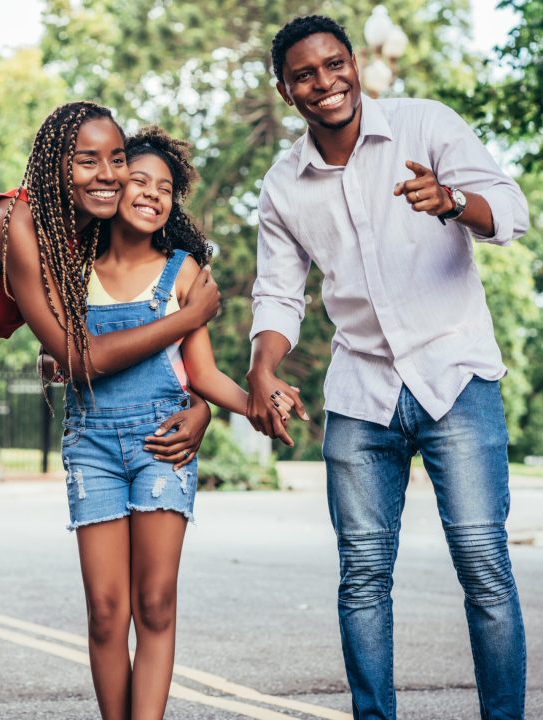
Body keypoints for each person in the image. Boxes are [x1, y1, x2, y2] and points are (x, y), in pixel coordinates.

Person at [246, 15, 529, 720]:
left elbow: (515, 213)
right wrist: (262, 367)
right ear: (286, 90)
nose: (326, 82)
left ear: (355, 64)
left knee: (485, 569)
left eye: (335, 64)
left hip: (454, 376)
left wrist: (456, 202)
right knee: (363, 578)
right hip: (361, 391)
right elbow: (279, 294)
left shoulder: (424, 125)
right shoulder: (284, 186)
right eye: (306, 74)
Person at [0, 102, 220, 720]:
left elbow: (126, 324)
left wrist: (201, 403)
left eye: (117, 159)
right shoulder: (20, 222)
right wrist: (188, 317)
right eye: (86, 160)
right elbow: (82, 358)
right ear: (56, 165)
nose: (106, 174)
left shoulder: (88, 231)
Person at [57, 126, 290, 720]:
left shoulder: (185, 274)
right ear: (112, 189)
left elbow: (203, 376)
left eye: (165, 188)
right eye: (139, 180)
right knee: (106, 611)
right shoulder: (72, 266)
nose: (152, 194)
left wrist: (256, 404)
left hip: (163, 446)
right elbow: (64, 354)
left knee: (154, 604)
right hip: (93, 450)